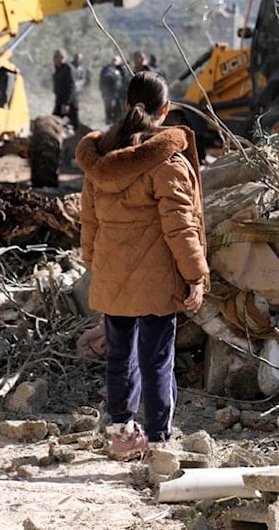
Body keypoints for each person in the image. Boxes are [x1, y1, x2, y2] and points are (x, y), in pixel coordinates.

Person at [75, 70, 209, 459]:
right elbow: (180, 225)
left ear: (123, 105)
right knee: (157, 359)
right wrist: (195, 275)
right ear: (165, 111)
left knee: (120, 356)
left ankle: (121, 435)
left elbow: (90, 224)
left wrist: (96, 267)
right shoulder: (166, 162)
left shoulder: (99, 162)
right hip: (158, 279)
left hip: (113, 275)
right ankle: (159, 442)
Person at [52, 48, 80, 131]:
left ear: (62, 58)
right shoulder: (58, 69)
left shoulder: (68, 69)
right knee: (54, 121)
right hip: (59, 101)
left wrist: (66, 103)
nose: (53, 59)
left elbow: (71, 87)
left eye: (55, 57)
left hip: (69, 102)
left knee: (74, 124)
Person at [98, 55, 126, 124]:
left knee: (118, 108)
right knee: (108, 107)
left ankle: (117, 122)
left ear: (120, 61)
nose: (114, 61)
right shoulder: (107, 69)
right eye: (113, 60)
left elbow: (125, 80)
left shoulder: (122, 69)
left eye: (116, 60)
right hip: (108, 92)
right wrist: (103, 91)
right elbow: (102, 80)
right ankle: (109, 122)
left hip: (119, 93)